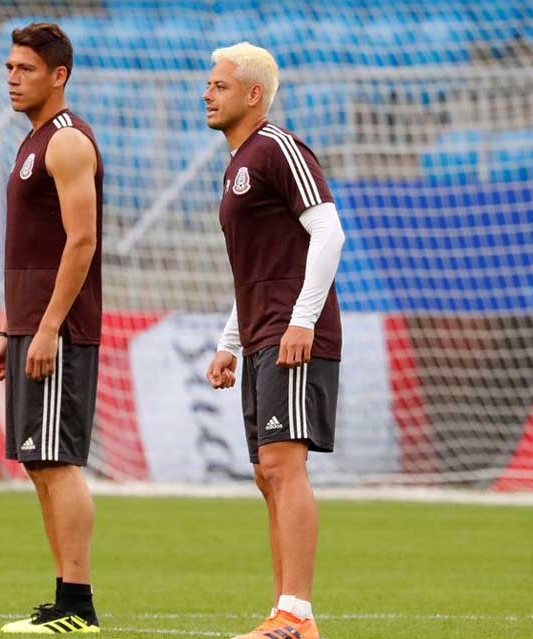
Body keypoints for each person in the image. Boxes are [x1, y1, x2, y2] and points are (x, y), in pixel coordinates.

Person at [202, 42, 346, 639]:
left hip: (293, 337)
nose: (206, 94)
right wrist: (229, 341)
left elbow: (329, 233)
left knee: (285, 469)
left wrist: (303, 321)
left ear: (253, 94)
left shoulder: (278, 148)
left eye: (219, 86)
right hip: (263, 333)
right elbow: (253, 268)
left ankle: (297, 615)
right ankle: (284, 611)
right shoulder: (237, 164)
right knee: (267, 472)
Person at [0, 22, 104, 635]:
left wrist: (50, 326)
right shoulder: (32, 142)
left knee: (58, 462)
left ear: (58, 76)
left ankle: (79, 603)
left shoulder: (66, 143)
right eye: (8, 68)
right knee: (39, 463)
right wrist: (14, 329)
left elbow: (81, 241)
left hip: (60, 328)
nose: (12, 78)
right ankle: (63, 596)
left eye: (24, 69)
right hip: (31, 326)